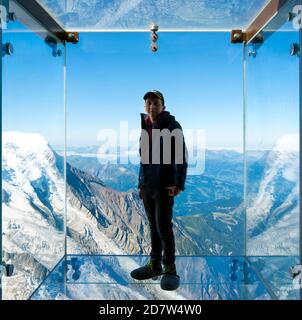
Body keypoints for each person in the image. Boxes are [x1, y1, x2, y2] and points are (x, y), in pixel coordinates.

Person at [130, 90, 188, 291]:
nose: (151, 107)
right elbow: (143, 159)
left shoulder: (172, 126)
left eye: (155, 103)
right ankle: (154, 265)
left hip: (164, 186)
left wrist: (179, 183)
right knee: (153, 226)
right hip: (148, 187)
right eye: (148, 103)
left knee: (164, 227)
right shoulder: (145, 127)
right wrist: (141, 183)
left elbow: (182, 155)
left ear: (162, 105)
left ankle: (170, 268)